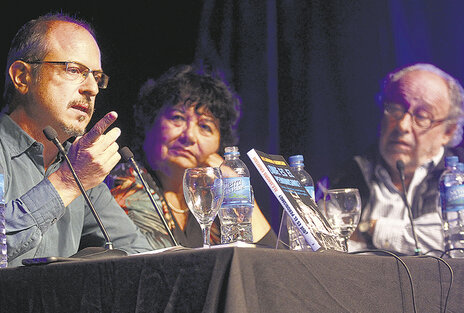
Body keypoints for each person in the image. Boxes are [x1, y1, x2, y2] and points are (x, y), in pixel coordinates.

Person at [2, 13, 153, 266]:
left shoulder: (76, 164)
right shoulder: (76, 172)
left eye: (96, 76)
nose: (92, 88)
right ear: (22, 77)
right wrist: (67, 183)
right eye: (74, 70)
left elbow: (141, 255)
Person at [106, 64, 277, 248]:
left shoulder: (208, 199)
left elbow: (271, 260)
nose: (189, 136)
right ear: (150, 121)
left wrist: (235, 184)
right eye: (177, 118)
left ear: (220, 144)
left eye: (205, 127)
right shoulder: (127, 182)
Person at [326, 63, 464, 255]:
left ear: (448, 131)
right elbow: (321, 244)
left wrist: (371, 229)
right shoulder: (345, 177)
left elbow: (459, 242)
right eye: (394, 109)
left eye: (422, 116)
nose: (402, 125)